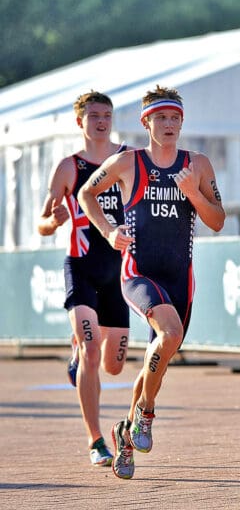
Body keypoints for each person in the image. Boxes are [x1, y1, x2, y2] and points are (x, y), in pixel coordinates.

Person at [78, 86, 225, 479]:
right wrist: (109, 232)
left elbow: (217, 220)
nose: (169, 125)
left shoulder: (198, 164)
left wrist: (193, 192)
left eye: (175, 118)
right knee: (170, 333)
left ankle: (126, 433)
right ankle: (145, 415)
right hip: (138, 272)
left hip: (180, 277)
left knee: (159, 355)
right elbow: (86, 193)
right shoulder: (128, 162)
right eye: (161, 118)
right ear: (146, 122)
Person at [37, 91, 132, 467]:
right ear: (80, 122)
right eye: (93, 116)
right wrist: (53, 221)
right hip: (81, 265)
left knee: (114, 364)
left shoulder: (127, 159)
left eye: (106, 115)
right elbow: (43, 223)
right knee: (92, 352)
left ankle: (79, 352)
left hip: (119, 270)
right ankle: (96, 441)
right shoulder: (68, 168)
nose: (101, 121)